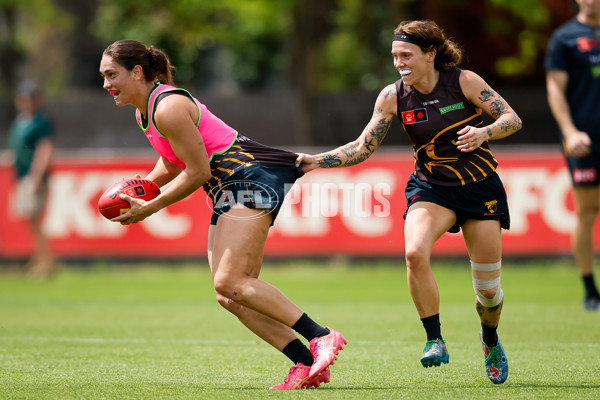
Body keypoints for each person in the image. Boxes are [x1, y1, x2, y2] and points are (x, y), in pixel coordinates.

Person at [99, 40, 346, 390]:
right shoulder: (144, 112)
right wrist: (139, 187)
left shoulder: (167, 107)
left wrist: (150, 207)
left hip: (248, 177)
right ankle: (306, 363)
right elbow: (172, 161)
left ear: (137, 72)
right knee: (228, 294)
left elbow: (197, 171)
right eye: (103, 76)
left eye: (112, 75)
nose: (106, 84)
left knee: (231, 281)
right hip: (227, 188)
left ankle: (320, 336)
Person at [296, 20, 522, 384]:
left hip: (480, 189)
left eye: (406, 55)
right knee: (414, 252)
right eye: (395, 56)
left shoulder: (464, 81)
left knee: (489, 294)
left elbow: (512, 118)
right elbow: (360, 148)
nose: (399, 63)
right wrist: (314, 162)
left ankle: (490, 338)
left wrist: (484, 132)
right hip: (431, 189)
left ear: (431, 54)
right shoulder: (392, 96)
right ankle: (435, 339)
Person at [545, 0, 600, 311]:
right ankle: (590, 290)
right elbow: (555, 89)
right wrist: (570, 131)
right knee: (587, 211)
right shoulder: (565, 38)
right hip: (585, 141)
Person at [5, 80, 55, 277]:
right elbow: (17, 151)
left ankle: (46, 263)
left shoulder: (40, 122)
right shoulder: (20, 121)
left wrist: (36, 176)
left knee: (36, 222)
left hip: (32, 178)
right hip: (21, 176)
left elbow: (45, 150)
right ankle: (40, 260)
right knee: (30, 222)